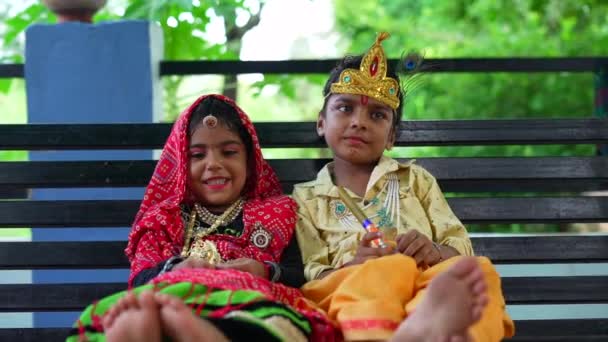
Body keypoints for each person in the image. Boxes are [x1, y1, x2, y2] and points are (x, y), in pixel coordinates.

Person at [293, 32, 515, 341]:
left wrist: (434, 251)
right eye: (345, 108)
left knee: (479, 271)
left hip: (428, 287)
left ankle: (437, 327)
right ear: (321, 123)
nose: (359, 122)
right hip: (357, 287)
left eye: (377, 114)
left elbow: (460, 247)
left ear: (392, 136)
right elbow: (314, 272)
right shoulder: (306, 197)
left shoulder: (416, 180)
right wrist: (356, 263)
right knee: (382, 272)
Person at [67, 94, 337, 342]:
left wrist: (263, 270)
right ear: (180, 164)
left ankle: (193, 329)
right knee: (129, 309)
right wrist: (175, 269)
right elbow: (139, 278)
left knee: (270, 319)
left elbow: (301, 275)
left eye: (229, 152)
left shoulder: (277, 213)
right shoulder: (163, 220)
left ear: (250, 160)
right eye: (197, 155)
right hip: (177, 297)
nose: (213, 164)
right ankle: (174, 326)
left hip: (249, 302)